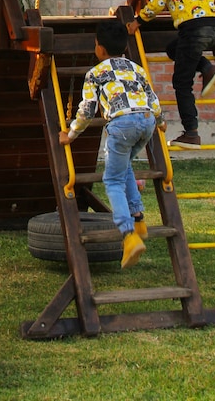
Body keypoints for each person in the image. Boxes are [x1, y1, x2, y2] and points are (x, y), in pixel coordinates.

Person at [59, 20, 164, 269]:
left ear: (100, 48)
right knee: (123, 164)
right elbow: (152, 98)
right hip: (147, 121)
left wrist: (70, 135)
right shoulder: (137, 68)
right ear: (125, 47)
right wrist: (160, 122)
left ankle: (129, 235)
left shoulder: (95, 73)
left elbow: (87, 110)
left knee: (112, 180)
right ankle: (138, 218)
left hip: (123, 124)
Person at [127, 0, 215, 150]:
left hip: (194, 29)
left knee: (181, 82)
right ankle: (208, 68)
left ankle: (191, 133)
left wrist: (138, 21)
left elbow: (158, 1)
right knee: (174, 48)